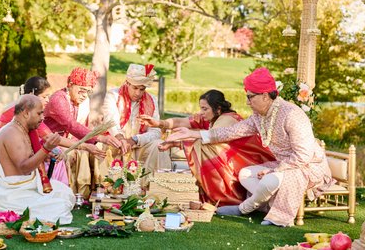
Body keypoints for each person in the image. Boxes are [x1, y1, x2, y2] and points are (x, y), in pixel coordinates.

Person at [166, 68, 333, 227]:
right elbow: (231, 132)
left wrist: (275, 170)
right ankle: (270, 201)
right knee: (245, 174)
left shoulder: (292, 115)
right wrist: (192, 133)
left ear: (266, 96)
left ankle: (244, 209)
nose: (247, 102)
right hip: (283, 165)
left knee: (269, 179)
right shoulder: (259, 116)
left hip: (306, 166)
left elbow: (303, 156)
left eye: (250, 97)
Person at [139, 89, 274, 206]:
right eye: (201, 108)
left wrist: (175, 143)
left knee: (206, 148)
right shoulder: (211, 117)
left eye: (205, 109)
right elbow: (180, 121)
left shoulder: (227, 119)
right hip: (229, 163)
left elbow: (211, 146)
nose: (201, 112)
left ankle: (224, 196)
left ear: (218, 109)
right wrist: (157, 123)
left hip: (241, 163)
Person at [0, 76, 103, 187]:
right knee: (50, 158)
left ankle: (52, 191)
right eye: (45, 96)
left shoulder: (33, 110)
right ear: (32, 93)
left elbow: (49, 138)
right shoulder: (23, 110)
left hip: (19, 148)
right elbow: (51, 137)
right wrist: (85, 146)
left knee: (55, 157)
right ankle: (46, 191)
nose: (48, 100)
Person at [0, 95, 75, 224]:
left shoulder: (22, 129)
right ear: (26, 113)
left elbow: (26, 157)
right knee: (59, 206)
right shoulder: (12, 133)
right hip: (8, 194)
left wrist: (45, 155)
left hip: (21, 186)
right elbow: (24, 168)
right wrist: (46, 148)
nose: (42, 118)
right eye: (39, 113)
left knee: (65, 192)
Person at [44, 67, 122, 198]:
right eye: (82, 90)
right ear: (70, 84)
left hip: (67, 140)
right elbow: (71, 125)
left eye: (88, 91)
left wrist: (97, 140)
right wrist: (100, 138)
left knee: (98, 149)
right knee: (82, 151)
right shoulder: (58, 99)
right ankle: (77, 194)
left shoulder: (75, 100)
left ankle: (101, 189)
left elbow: (80, 126)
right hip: (51, 142)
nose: (84, 95)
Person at [101, 63, 171, 188]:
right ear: (127, 83)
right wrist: (122, 139)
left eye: (142, 89)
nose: (138, 93)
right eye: (135, 88)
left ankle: (158, 189)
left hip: (139, 145)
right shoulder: (113, 95)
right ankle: (109, 189)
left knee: (159, 145)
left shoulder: (152, 100)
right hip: (116, 143)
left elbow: (155, 132)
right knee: (103, 145)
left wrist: (135, 140)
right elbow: (110, 122)